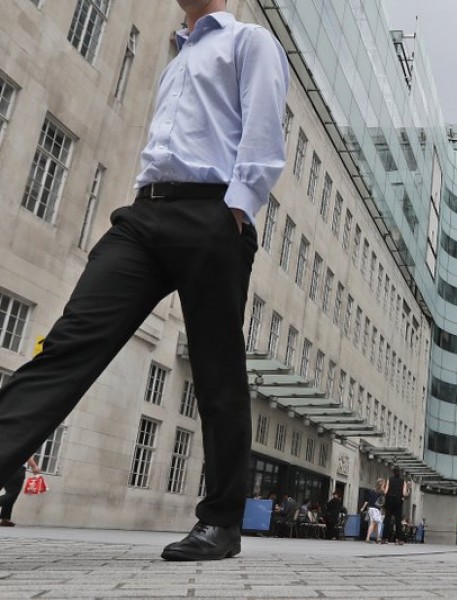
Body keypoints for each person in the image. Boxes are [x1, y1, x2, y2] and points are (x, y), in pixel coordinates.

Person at [0, 0, 288, 562]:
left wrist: (239, 207)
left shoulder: (247, 42)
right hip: (143, 216)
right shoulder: (177, 58)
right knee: (68, 344)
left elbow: (262, 127)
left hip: (213, 216)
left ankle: (221, 523)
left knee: (215, 372)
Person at [0, 456, 40, 527]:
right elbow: (27, 452)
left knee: (10, 493)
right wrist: (34, 466)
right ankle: (5, 518)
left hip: (5, 466)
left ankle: (5, 518)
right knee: (12, 493)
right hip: (16, 468)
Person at [382, 467, 409, 544]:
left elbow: (386, 491)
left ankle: (385, 538)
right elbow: (404, 493)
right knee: (398, 520)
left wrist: (384, 489)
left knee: (387, 519)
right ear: (399, 472)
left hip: (389, 501)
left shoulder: (389, 480)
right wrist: (407, 491)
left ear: (393, 472)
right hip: (398, 502)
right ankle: (398, 539)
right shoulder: (403, 481)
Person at [361, 479, 385, 543]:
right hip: (376, 509)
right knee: (374, 523)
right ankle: (368, 537)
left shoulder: (372, 490)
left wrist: (363, 508)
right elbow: (382, 502)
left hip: (370, 509)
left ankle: (377, 538)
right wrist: (381, 510)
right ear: (381, 485)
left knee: (375, 523)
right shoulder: (382, 492)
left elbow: (367, 500)